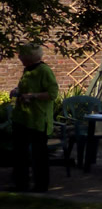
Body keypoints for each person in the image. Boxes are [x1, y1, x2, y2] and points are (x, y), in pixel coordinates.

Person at [10, 43, 59, 192]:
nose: (19, 58)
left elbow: (52, 93)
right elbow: (26, 87)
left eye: (21, 55)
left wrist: (33, 96)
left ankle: (41, 186)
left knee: (39, 156)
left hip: (38, 119)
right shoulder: (28, 70)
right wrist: (17, 90)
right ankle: (21, 184)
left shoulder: (44, 71)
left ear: (29, 57)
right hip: (22, 118)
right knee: (20, 154)